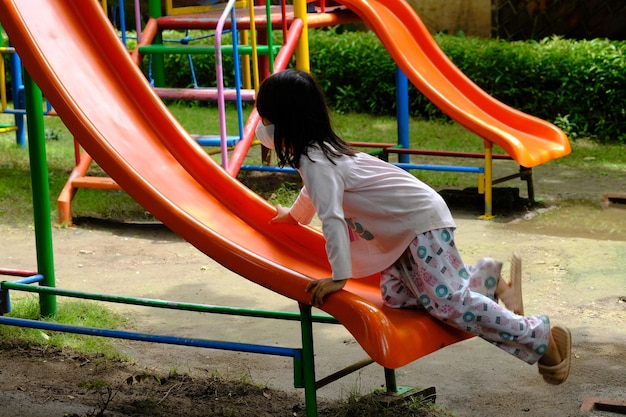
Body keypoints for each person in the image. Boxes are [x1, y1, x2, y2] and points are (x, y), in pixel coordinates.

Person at [254, 68, 571, 385]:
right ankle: (485, 279)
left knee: (449, 304)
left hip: (417, 221)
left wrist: (339, 277)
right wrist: (295, 215)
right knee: (397, 298)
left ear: (287, 120)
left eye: (266, 119)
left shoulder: (315, 160)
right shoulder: (317, 154)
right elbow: (314, 191)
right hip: (400, 231)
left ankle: (539, 337)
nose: (263, 128)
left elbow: (332, 218)